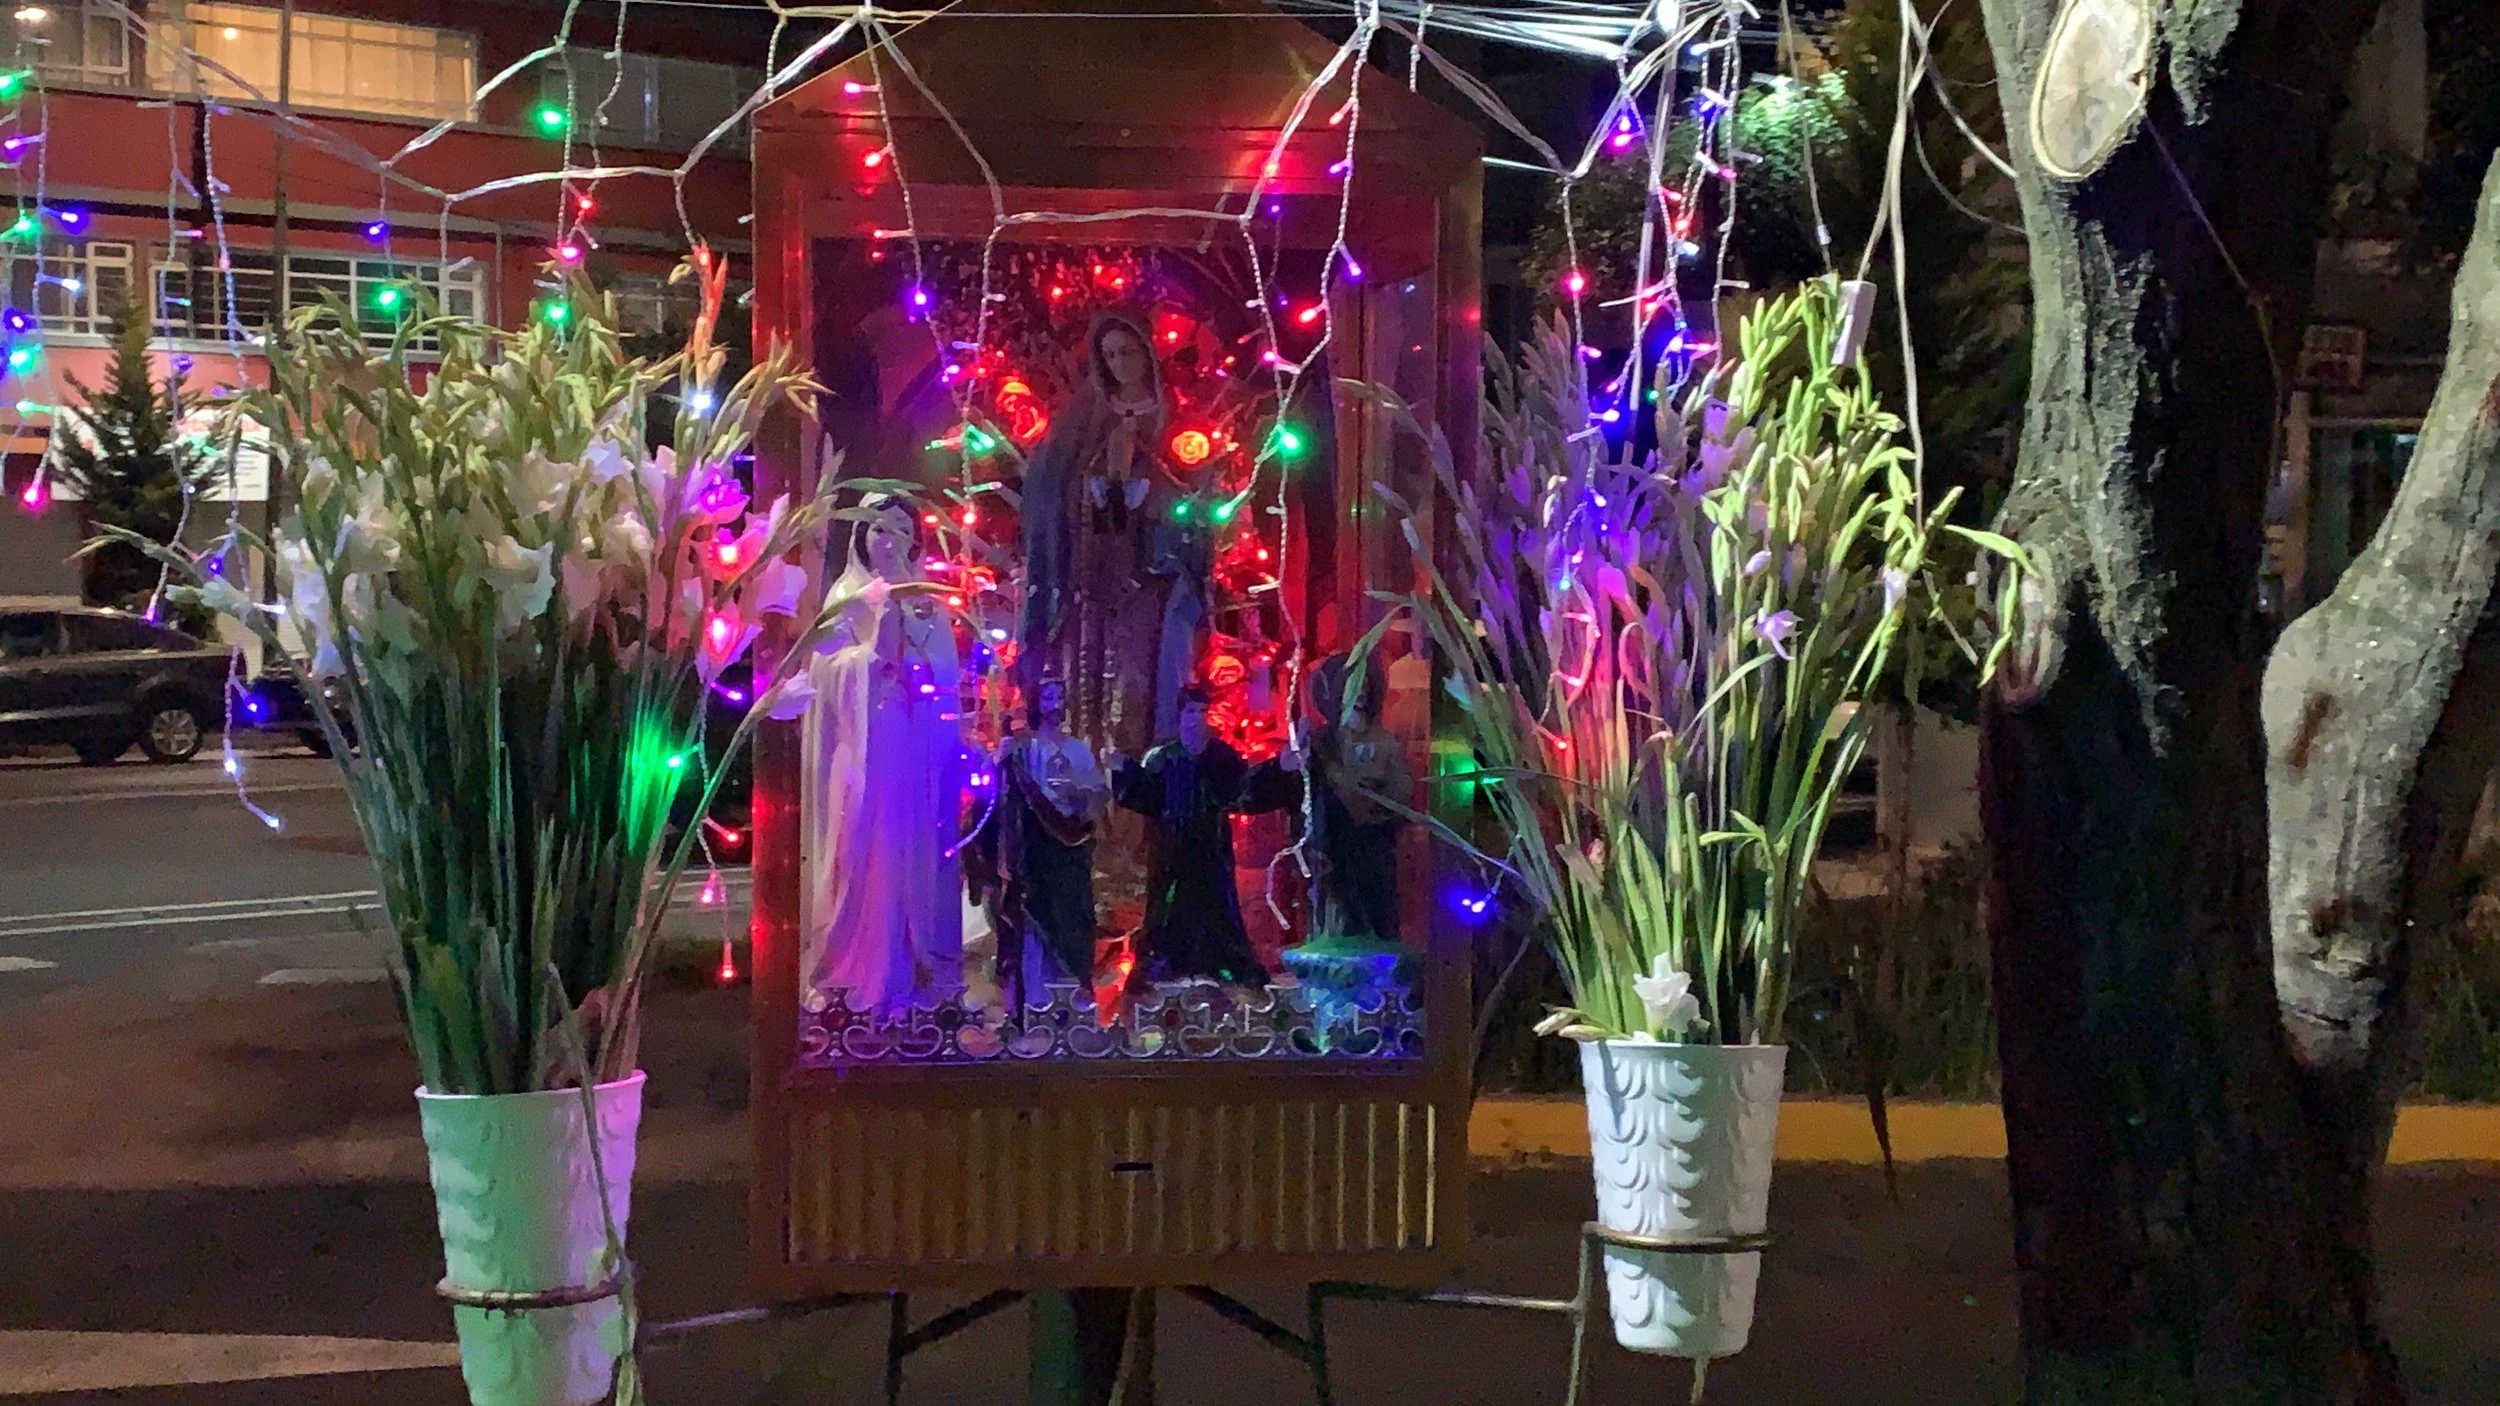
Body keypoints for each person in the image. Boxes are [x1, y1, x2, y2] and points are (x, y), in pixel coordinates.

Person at [802, 496, 965, 1015]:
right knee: (859, 847)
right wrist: (868, 661)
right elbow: (822, 672)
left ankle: (909, 967)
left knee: (907, 849)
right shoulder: (846, 596)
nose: (889, 538)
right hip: (861, 745)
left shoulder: (927, 604)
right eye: (878, 529)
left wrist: (922, 678)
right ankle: (850, 972)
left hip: (910, 748)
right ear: (862, 540)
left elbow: (945, 675)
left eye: (899, 528)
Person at [1109, 685, 1302, 989]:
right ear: (1180, 715)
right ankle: (1164, 963)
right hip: (1172, 847)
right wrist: (1125, 771)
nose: (1196, 718)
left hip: (1212, 846)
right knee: (1168, 906)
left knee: (1217, 905)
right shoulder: (1162, 757)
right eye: (1190, 711)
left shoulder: (1222, 756)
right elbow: (1146, 796)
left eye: (1202, 711)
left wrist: (1278, 768)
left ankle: (1222, 965)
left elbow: (1244, 790)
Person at [966, 674, 1107, 1011]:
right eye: (1047, 697)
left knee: (1070, 923)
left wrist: (1081, 798)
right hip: (1032, 853)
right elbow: (990, 794)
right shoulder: (1024, 748)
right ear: (1036, 704)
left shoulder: (1078, 749)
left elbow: (1099, 795)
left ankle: (1072, 997)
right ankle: (1033, 999)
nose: (1054, 703)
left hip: (1068, 852)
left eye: (1059, 695)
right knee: (1031, 923)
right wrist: (999, 760)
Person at [1303, 653, 1413, 944]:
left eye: (1365, 684)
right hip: (1333, 852)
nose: (1361, 691)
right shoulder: (1322, 743)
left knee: (1375, 925)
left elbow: (1401, 796)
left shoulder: (1385, 744)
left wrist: (1373, 807)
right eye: (1353, 684)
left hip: (1372, 848)